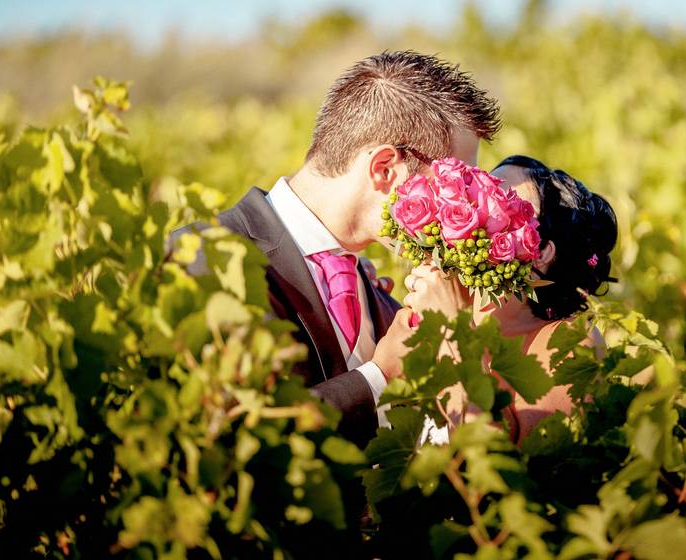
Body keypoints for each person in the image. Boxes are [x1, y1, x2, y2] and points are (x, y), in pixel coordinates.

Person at [172, 51, 501, 447]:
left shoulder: (383, 299)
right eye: (451, 185)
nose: (460, 209)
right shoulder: (208, 255)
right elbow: (230, 434)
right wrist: (379, 376)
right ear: (384, 168)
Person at [378, 155, 618, 443]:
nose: (474, 204)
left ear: (541, 252)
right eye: (479, 189)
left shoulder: (571, 342)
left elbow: (504, 463)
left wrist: (457, 333)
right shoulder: (425, 311)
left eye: (503, 201)